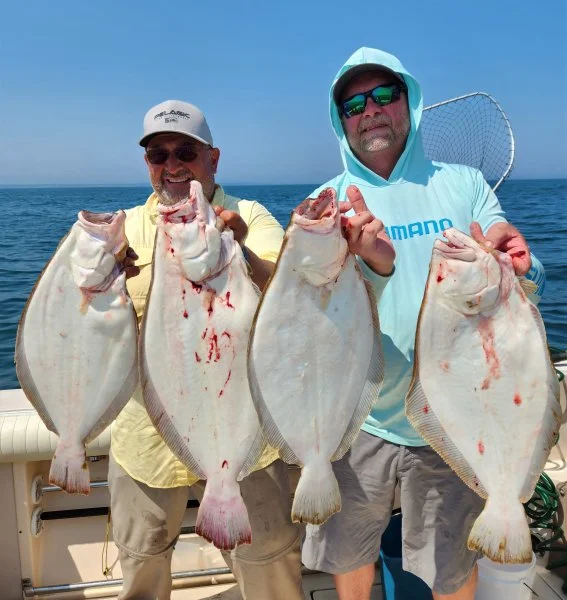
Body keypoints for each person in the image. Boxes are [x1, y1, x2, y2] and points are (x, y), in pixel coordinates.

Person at [300, 48, 546, 600]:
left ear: (408, 101)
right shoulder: (328, 204)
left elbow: (517, 272)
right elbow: (312, 318)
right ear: (340, 121)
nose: (370, 111)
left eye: (384, 95)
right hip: (357, 416)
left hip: (457, 419)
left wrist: (525, 263)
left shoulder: (465, 184)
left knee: (449, 570)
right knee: (349, 555)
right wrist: (374, 267)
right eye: (353, 104)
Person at [109, 99, 304, 600]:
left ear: (213, 159)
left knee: (270, 568)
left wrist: (239, 249)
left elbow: (286, 289)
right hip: (146, 439)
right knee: (141, 568)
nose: (172, 165)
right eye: (158, 154)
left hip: (244, 437)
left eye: (185, 152)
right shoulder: (121, 230)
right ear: (147, 163)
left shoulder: (250, 216)